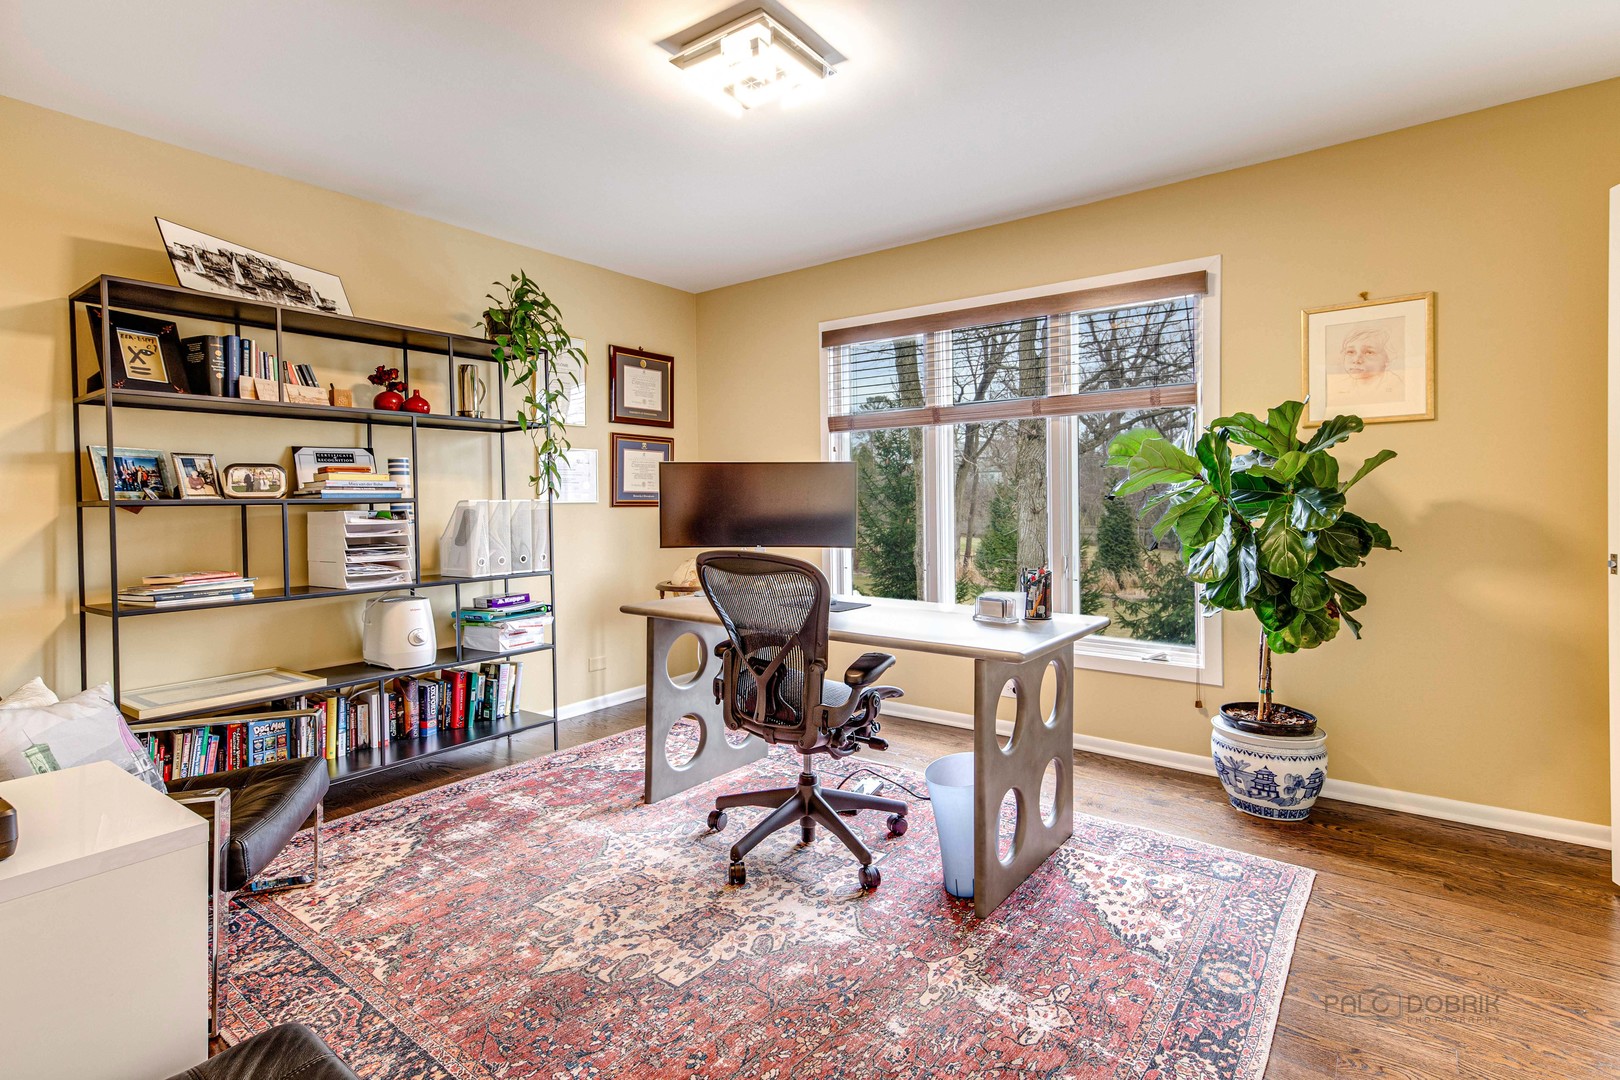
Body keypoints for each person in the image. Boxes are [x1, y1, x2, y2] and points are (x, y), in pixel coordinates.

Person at [1326, 324, 1405, 405]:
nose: (1356, 360)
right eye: (1350, 352)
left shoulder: (1398, 386)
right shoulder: (1338, 387)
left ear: (1387, 359)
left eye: (1369, 352)